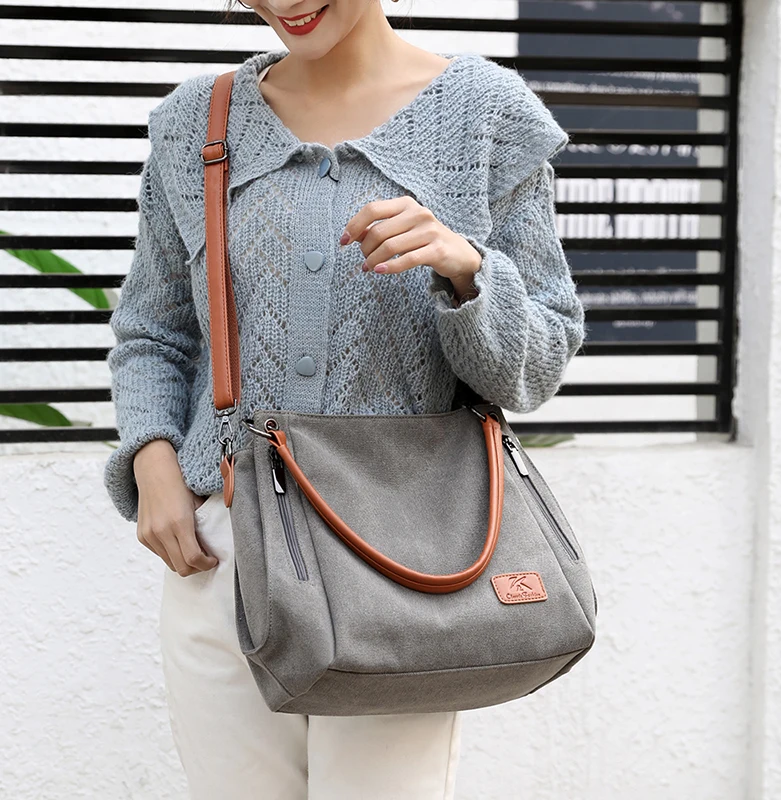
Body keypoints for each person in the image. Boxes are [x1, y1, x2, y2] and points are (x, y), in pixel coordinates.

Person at [103, 0, 586, 797]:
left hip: (403, 563)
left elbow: (535, 368)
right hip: (223, 553)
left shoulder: (485, 116)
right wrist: (152, 460)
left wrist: (467, 270)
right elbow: (154, 330)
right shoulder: (196, 123)